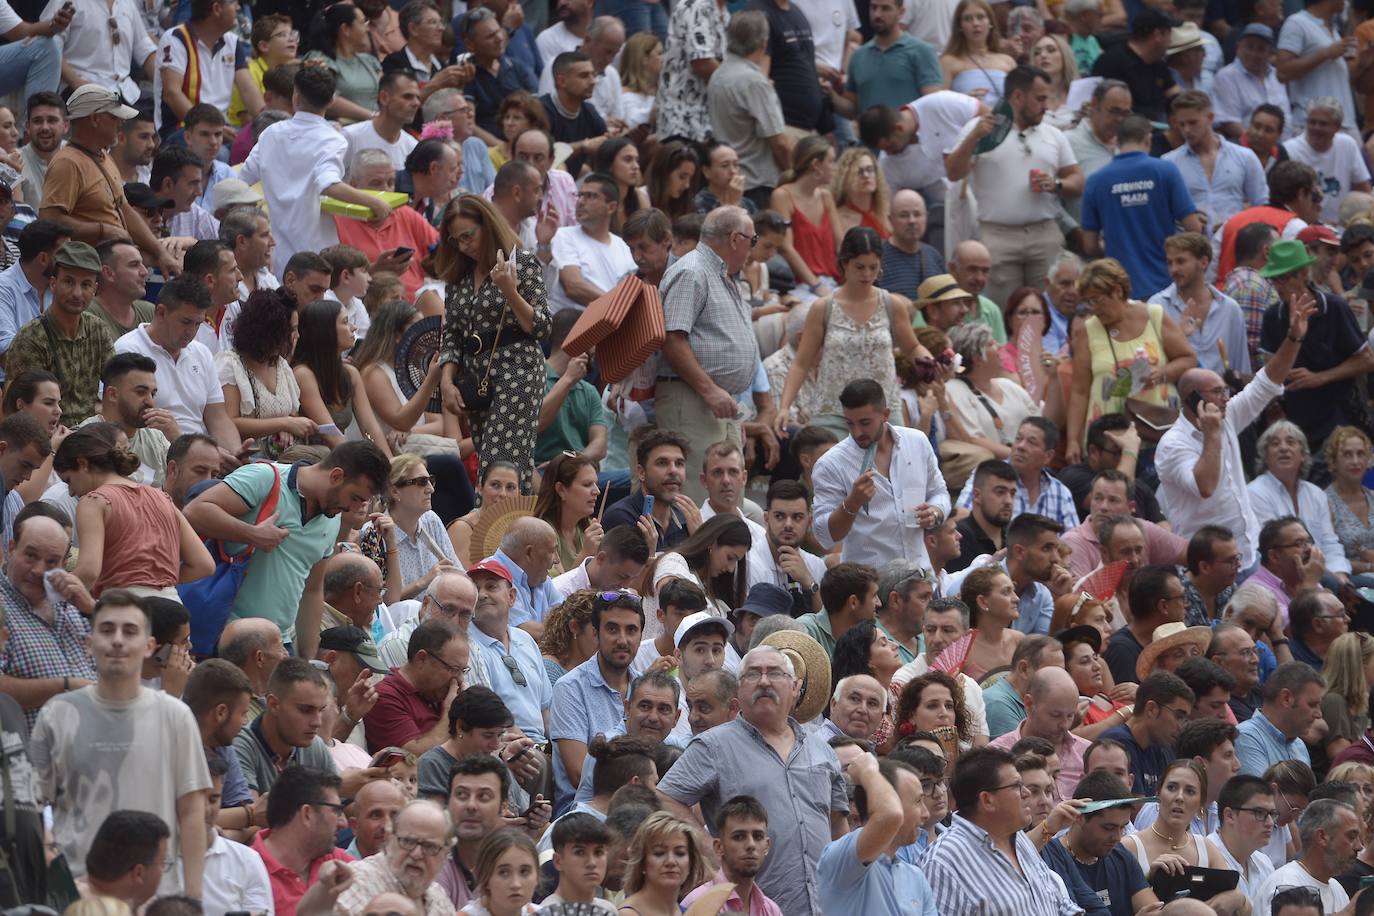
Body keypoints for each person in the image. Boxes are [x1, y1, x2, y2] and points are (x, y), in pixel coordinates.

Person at [31, 590, 209, 896]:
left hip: (157, 896)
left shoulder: (176, 715)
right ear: (89, 644)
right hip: (79, 893)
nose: (117, 640)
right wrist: (58, 877)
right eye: (106, 630)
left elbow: (192, 811)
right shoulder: (57, 713)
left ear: (149, 646)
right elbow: (33, 806)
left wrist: (192, 898)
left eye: (130, 631)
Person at [657, 644, 847, 915]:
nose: (765, 681)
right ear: (739, 690)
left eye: (776, 673)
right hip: (747, 906)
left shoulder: (822, 750)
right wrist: (711, 852)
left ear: (795, 688)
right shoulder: (713, 746)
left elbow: (838, 823)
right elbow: (664, 798)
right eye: (753, 674)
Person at [1155, 272, 1316, 567]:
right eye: (1218, 392)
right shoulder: (1172, 444)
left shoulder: (1226, 414)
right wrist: (1213, 435)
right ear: (1193, 399)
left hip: (1248, 551)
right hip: (1206, 566)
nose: (1227, 397)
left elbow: (1266, 382)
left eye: (1226, 390)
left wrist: (1294, 338)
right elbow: (1204, 486)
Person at [184, 440, 390, 657]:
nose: (355, 508)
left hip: (280, 645)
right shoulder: (265, 478)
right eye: (355, 498)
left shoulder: (333, 518)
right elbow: (195, 511)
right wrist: (251, 534)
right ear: (336, 476)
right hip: (230, 638)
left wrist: (308, 659)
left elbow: (312, 589)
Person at [435, 195, 550, 495]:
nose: (463, 246)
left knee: (503, 461)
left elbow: (541, 326)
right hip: (476, 378)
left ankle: (499, 533)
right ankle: (507, 532)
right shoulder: (458, 279)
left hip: (518, 370)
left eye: (468, 236)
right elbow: (452, 335)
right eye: (456, 240)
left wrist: (509, 291)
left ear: (487, 226)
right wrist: (446, 381)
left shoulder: (521, 263)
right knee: (493, 458)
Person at [240, 67, 387, 275]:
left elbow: (240, 181)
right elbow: (327, 184)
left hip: (277, 254)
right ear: (331, 102)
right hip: (314, 258)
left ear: (296, 98)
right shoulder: (332, 139)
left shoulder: (271, 134)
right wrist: (374, 202)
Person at [654, 206, 757, 503]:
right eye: (753, 239)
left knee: (728, 497)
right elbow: (673, 339)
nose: (753, 248)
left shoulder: (720, 273)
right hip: (693, 397)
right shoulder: (693, 270)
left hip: (718, 401)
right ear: (736, 239)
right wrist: (710, 390)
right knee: (697, 497)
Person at [921, 746, 1082, 915]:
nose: (1026, 793)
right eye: (1017, 786)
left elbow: (1056, 901)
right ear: (987, 800)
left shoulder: (1017, 837)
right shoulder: (943, 862)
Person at [57, 422, 212, 596]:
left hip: (124, 611)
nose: (70, 492)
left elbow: (88, 572)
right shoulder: (163, 498)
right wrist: (156, 583)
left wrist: (51, 595)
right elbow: (204, 564)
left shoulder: (93, 502)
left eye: (68, 480)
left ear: (83, 464)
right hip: (172, 609)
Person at [812, 378, 949, 570]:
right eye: (850, 424)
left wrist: (935, 512)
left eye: (865, 423)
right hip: (871, 587)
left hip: (921, 576)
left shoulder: (917, 442)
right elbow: (825, 534)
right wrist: (852, 502)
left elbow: (940, 492)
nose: (857, 432)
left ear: (885, 414)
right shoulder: (830, 464)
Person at [37, 87, 172, 277]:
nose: (121, 122)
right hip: (87, 273)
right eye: (114, 116)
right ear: (95, 119)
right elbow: (49, 220)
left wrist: (160, 253)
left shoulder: (103, 156)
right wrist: (103, 230)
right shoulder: (67, 162)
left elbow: (124, 208)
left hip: (110, 270)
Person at [1259, 240, 1374, 456]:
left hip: (1339, 420)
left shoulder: (1334, 308)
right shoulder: (1273, 317)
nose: (1278, 285)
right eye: (1273, 279)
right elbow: (1269, 368)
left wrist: (1320, 377)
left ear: (1303, 274)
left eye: (1283, 278)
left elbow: (1366, 359)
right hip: (1294, 425)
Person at [1080, 116, 1203, 299]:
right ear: (1148, 140)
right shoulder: (1166, 171)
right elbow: (1194, 228)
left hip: (1119, 288)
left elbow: (1089, 246)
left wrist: (1114, 246)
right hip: (1165, 286)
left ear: (1117, 141)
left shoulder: (1096, 180)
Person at [550, 590, 644, 811]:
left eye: (631, 630)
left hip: (640, 804)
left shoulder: (644, 686)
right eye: (612, 629)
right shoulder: (570, 688)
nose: (622, 640)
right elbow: (578, 773)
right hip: (585, 811)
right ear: (595, 633)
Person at [5, 240, 112, 425]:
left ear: (95, 290)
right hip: (46, 439)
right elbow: (20, 413)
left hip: (91, 435)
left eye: (86, 285)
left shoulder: (98, 330)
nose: (77, 293)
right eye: (69, 282)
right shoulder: (31, 339)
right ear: (53, 284)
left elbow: (115, 381)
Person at [707, 11, 790, 208]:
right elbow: (779, 141)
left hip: (730, 182)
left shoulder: (718, 74)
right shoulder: (754, 81)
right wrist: (791, 173)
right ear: (763, 43)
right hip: (757, 183)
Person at [249, 764, 353, 915]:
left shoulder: (339, 862)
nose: (343, 823)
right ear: (307, 814)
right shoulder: (246, 871)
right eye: (336, 811)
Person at [1255, 798, 1359, 913]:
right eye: (1351, 837)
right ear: (1322, 837)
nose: (1358, 846)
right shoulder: (1286, 884)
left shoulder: (1337, 889)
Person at [1099, 671, 1195, 793]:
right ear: (1152, 709)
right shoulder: (1115, 746)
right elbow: (1136, 810)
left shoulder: (1161, 746)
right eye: (1178, 716)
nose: (1181, 727)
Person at [1236, 661, 1324, 775]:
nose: (1319, 714)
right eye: (1312, 705)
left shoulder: (1299, 745)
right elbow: (1261, 792)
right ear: (1286, 698)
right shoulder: (1246, 737)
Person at [1214, 24, 1288, 139]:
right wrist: (1260, 144)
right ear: (1238, 47)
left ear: (1271, 53)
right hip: (1246, 148)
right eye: (1249, 47)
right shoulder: (1226, 76)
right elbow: (1229, 122)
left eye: (1261, 49)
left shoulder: (1277, 76)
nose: (1254, 54)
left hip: (1282, 149)